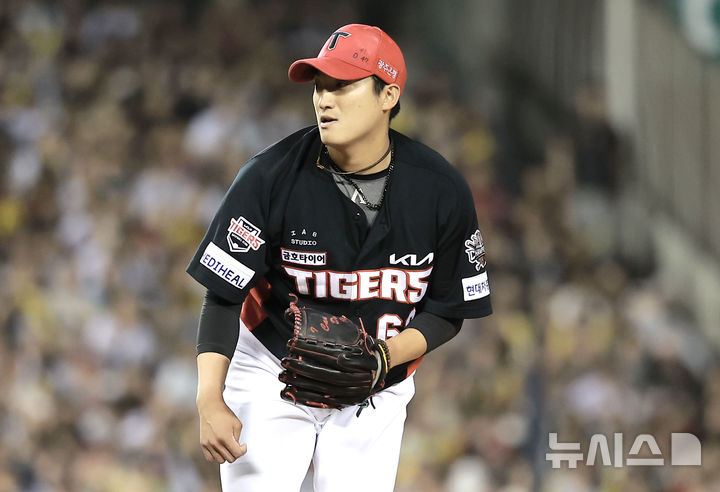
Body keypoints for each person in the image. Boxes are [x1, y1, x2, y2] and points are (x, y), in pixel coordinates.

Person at [186, 23, 492, 492]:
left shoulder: (440, 190)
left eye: (342, 86)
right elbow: (223, 296)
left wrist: (383, 359)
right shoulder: (269, 177)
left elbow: (448, 310)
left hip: (377, 384)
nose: (324, 100)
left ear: (388, 95)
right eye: (320, 86)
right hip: (271, 367)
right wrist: (210, 399)